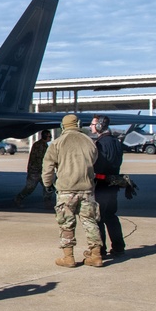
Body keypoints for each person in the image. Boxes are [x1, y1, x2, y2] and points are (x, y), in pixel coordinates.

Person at [41, 114, 102, 268]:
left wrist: (48, 184)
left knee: (67, 224)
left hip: (66, 190)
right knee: (90, 222)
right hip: (86, 189)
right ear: (78, 124)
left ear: (63, 126)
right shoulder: (89, 141)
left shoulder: (57, 143)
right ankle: (96, 255)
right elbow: (94, 159)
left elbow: (47, 167)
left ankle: (68, 257)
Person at [91, 114, 126, 258]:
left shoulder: (100, 144)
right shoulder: (116, 141)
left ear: (99, 126)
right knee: (111, 217)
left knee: (98, 218)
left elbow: (99, 166)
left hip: (102, 185)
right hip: (113, 185)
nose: (91, 127)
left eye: (93, 124)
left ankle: (101, 249)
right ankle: (118, 247)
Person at [13, 129, 52, 207]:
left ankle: (47, 203)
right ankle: (18, 199)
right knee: (30, 188)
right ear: (45, 136)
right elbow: (41, 159)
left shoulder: (43, 145)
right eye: (49, 136)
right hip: (36, 171)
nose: (50, 138)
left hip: (40, 171)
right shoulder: (40, 145)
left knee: (48, 187)